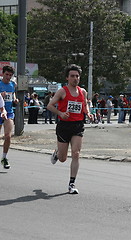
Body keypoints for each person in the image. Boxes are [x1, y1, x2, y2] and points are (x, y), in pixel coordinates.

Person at [47, 64, 93, 194]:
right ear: (67, 78)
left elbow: (84, 105)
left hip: (78, 125)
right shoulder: (62, 91)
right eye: (72, 76)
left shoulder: (82, 91)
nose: (75, 78)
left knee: (76, 153)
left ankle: (71, 183)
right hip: (64, 126)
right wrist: (60, 113)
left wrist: (88, 113)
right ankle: (57, 153)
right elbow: (50, 106)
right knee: (62, 158)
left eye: (77, 76)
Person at [0, 65, 18, 169]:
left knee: (8, 136)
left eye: (10, 75)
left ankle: (4, 157)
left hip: (9, 113)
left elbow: (12, 94)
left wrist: (15, 99)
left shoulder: (13, 84)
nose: (8, 77)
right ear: (3, 74)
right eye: (6, 74)